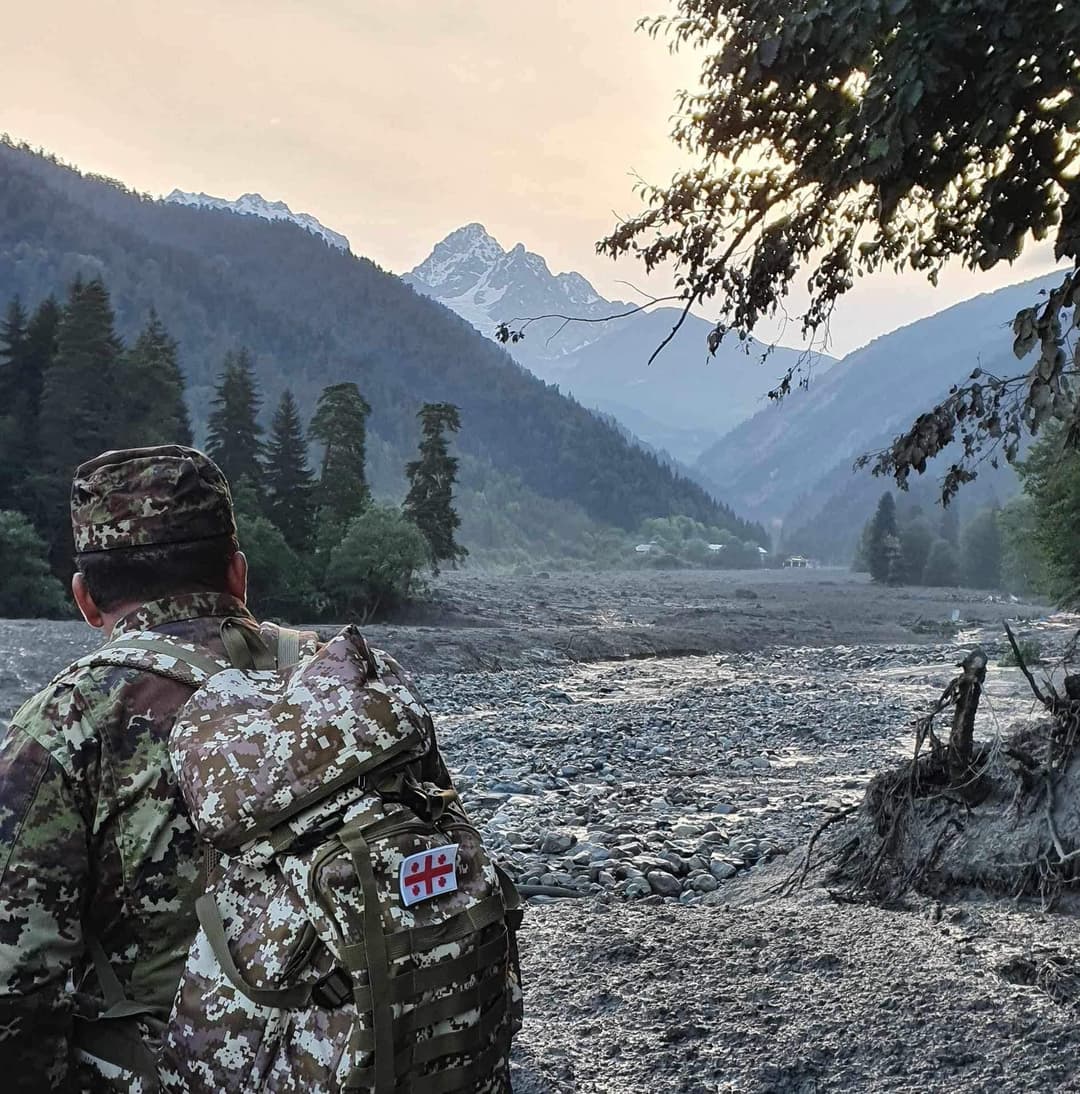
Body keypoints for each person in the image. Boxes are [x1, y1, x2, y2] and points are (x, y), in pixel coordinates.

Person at [0, 445, 261, 1091]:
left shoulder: (71, 718)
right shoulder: (348, 681)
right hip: (362, 1056)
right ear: (237, 574)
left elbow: (16, 973)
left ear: (85, 599)